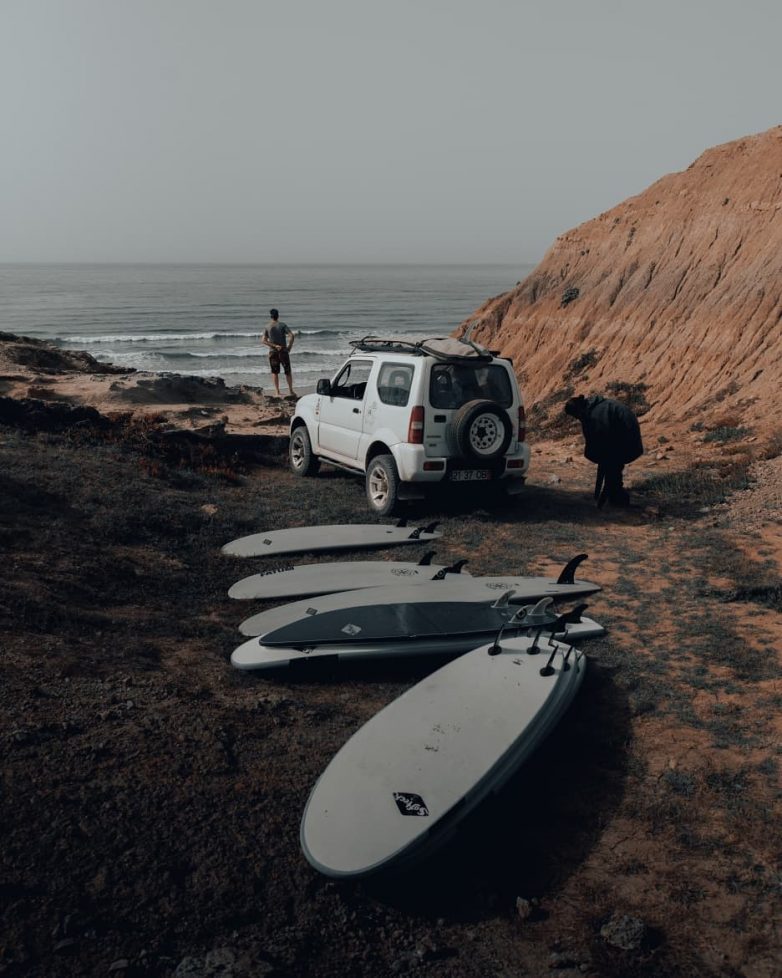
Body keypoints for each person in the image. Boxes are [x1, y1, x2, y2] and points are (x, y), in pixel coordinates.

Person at [564, 394, 643, 507]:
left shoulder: (597, 413)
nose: (577, 418)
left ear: (579, 410)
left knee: (612, 468)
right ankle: (613, 496)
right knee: (611, 466)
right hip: (620, 439)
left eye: (575, 416)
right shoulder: (594, 409)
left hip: (626, 441)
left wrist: (600, 455)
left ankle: (618, 498)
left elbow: (603, 436)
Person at [262, 308, 297, 398]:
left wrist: (274, 345)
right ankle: (291, 391)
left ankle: (277, 392)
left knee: (275, 372)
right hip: (283, 352)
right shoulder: (282, 325)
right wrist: (289, 347)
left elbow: (263, 341)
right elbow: (292, 335)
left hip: (273, 352)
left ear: (271, 316)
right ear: (278, 316)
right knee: (288, 371)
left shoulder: (267, 326)